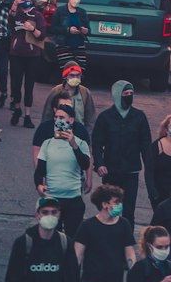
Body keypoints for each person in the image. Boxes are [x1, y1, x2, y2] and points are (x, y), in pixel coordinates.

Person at [91, 81, 153, 229]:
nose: (129, 97)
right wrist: (99, 164)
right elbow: (97, 143)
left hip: (131, 172)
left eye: (131, 94)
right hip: (111, 171)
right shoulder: (105, 117)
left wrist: (150, 168)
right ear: (117, 95)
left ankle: (126, 242)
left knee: (128, 211)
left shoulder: (139, 117)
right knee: (109, 209)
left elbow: (146, 145)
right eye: (125, 94)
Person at [35, 105, 92, 233]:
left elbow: (85, 165)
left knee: (72, 238)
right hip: (52, 199)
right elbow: (40, 170)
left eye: (62, 117)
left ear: (71, 120)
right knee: (52, 237)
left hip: (73, 200)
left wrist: (73, 145)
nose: (58, 120)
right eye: (56, 117)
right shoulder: (47, 143)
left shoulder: (81, 143)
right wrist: (39, 185)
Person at [7, 0, 46, 127]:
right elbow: (9, 18)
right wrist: (15, 3)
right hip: (16, 54)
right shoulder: (16, 13)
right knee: (16, 85)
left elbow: (42, 36)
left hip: (32, 55)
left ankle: (27, 115)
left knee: (29, 86)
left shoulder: (37, 15)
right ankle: (17, 109)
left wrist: (33, 29)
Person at [41, 64, 96, 134]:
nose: (75, 78)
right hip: (59, 133)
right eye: (72, 75)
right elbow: (47, 116)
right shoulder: (56, 91)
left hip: (79, 134)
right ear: (65, 76)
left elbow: (90, 119)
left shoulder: (85, 92)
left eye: (77, 75)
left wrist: (87, 137)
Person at [46, 0, 90, 70]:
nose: (76, 0)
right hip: (64, 45)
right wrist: (68, 30)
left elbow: (89, 29)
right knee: (68, 70)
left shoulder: (82, 12)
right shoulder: (60, 11)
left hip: (79, 45)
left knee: (80, 70)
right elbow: (53, 28)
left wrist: (85, 30)